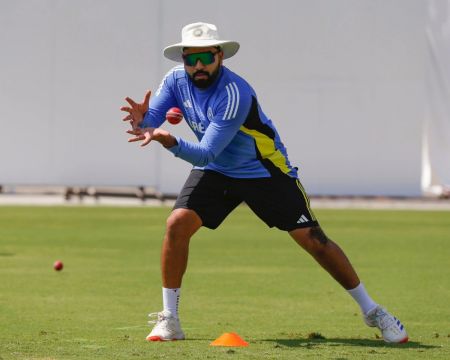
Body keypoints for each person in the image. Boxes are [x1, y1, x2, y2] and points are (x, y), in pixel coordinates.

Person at [121, 22, 408, 343]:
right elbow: (152, 121)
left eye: (205, 57)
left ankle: (373, 311)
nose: (198, 65)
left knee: (313, 240)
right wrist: (142, 121)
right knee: (177, 223)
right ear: (183, 60)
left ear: (219, 57)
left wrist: (169, 141)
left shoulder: (234, 93)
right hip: (218, 170)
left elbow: (204, 153)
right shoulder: (175, 80)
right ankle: (169, 319)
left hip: (264, 170)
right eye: (191, 59)